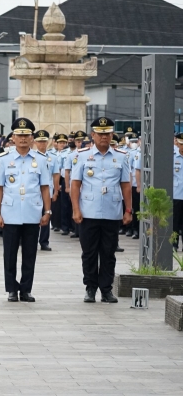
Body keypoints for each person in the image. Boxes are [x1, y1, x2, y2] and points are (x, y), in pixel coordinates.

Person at [70, 117, 132, 303]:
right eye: (100, 133)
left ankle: (106, 289)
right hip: (89, 211)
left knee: (108, 252)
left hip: (112, 211)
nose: (104, 137)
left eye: (107, 133)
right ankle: (90, 288)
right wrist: (76, 209)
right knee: (89, 252)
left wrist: (128, 210)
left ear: (112, 134)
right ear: (93, 135)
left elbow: (126, 185)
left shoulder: (121, 156)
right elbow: (75, 185)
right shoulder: (81, 155)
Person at [0, 118, 51, 302]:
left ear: (32, 138)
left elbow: (45, 188)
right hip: (10, 214)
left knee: (29, 254)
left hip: (32, 213)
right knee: (9, 254)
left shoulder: (40, 160)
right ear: (13, 138)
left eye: (26, 136)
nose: (23, 139)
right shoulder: (4, 159)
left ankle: (26, 289)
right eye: (19, 136)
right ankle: (11, 289)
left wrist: (47, 211)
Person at [34, 130, 59, 251]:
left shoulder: (53, 158)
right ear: (35, 142)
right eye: (39, 142)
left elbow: (56, 175)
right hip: (33, 192)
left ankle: (44, 241)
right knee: (32, 216)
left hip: (47, 191)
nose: (42, 144)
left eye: (44, 141)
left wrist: (55, 191)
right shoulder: (31, 156)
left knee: (46, 214)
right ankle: (29, 240)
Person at [51, 134, 68, 231]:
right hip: (53, 180)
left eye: (63, 143)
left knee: (63, 205)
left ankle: (63, 225)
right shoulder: (51, 153)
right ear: (56, 144)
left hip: (62, 179)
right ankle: (56, 224)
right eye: (60, 143)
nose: (62, 144)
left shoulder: (68, 152)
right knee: (55, 205)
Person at [173, 133, 183, 250]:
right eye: (181, 144)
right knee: (175, 221)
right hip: (176, 194)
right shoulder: (173, 157)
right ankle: (174, 244)